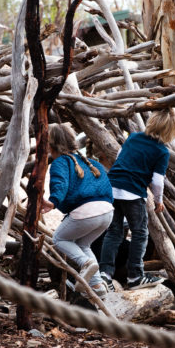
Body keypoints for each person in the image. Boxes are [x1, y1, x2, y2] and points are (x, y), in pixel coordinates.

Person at [99, 108, 175, 290]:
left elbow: (120, 158)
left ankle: (104, 274)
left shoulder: (133, 137)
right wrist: (159, 200)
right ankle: (135, 275)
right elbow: (158, 181)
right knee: (140, 233)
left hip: (112, 187)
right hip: (133, 194)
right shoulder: (162, 151)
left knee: (114, 232)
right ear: (172, 130)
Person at [42, 123, 113, 297]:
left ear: (49, 145)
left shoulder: (60, 162)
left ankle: (86, 263)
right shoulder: (91, 163)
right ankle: (97, 286)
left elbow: (61, 184)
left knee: (58, 238)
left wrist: (52, 202)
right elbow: (106, 185)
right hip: (107, 212)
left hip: (86, 213)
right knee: (83, 244)